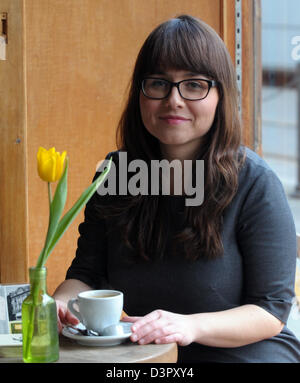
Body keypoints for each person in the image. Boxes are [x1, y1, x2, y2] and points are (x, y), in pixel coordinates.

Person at [53, 15, 300, 362]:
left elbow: (271, 310)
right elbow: (86, 275)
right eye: (158, 83)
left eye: (194, 85)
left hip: (241, 353)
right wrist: (62, 305)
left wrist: (189, 326)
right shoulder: (118, 174)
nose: (174, 100)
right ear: (141, 92)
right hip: (140, 354)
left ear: (219, 96)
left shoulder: (254, 182)